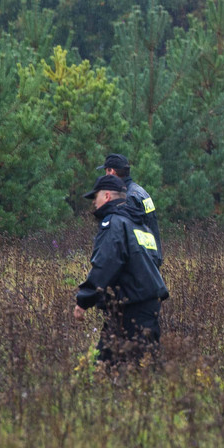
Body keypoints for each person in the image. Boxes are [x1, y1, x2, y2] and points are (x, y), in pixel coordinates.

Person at [73, 174, 169, 365]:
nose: (94, 203)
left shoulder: (114, 223)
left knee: (131, 368)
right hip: (144, 305)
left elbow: (106, 263)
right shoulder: (139, 224)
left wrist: (84, 299)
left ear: (107, 196)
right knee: (122, 365)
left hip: (131, 309)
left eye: (96, 197)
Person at [97, 153, 163, 266]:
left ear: (111, 171)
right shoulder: (141, 192)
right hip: (151, 258)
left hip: (139, 264)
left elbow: (127, 237)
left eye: (106, 171)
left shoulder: (127, 198)